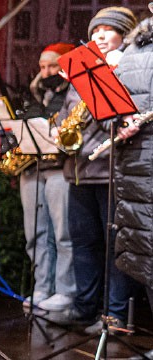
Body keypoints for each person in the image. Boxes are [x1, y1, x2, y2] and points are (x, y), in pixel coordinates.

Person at [56, 7, 139, 335]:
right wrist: (61, 128)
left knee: (114, 244)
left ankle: (115, 314)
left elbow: (118, 115)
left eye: (109, 30)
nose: (100, 36)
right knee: (84, 243)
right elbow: (66, 115)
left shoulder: (125, 67)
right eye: (96, 30)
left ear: (124, 35)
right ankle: (85, 307)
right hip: (78, 170)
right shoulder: (80, 72)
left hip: (110, 170)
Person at [17, 43, 76, 312]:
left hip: (59, 169)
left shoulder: (71, 93)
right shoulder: (35, 94)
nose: (46, 72)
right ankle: (41, 286)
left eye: (52, 66)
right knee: (35, 234)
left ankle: (65, 290)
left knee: (62, 234)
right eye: (42, 67)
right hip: (32, 169)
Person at [112, 10, 153, 326]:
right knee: (146, 255)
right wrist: (118, 122)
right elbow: (113, 104)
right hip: (138, 166)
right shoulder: (134, 49)